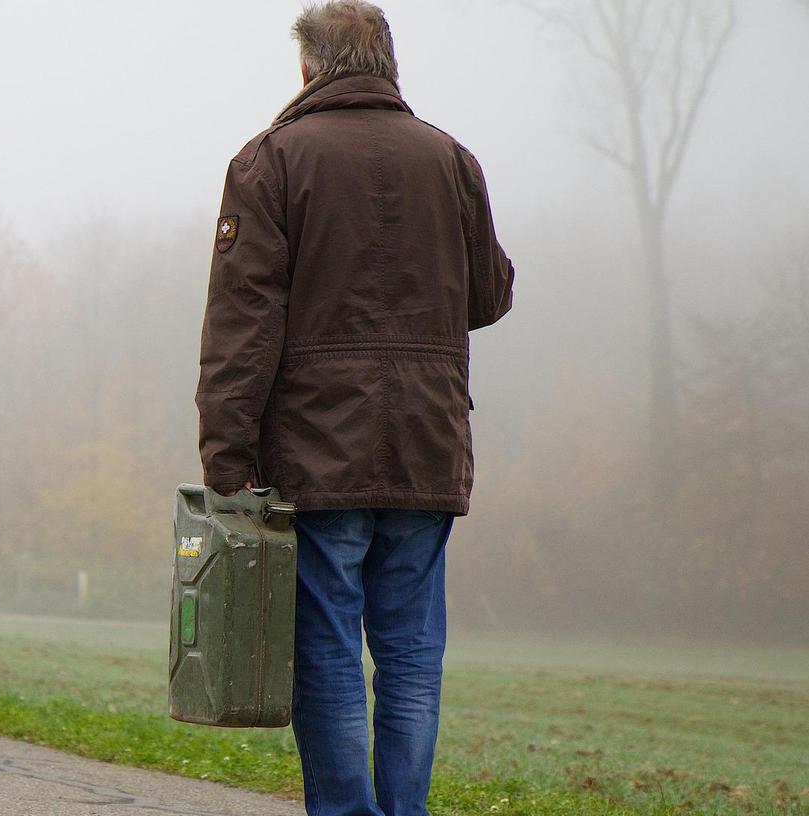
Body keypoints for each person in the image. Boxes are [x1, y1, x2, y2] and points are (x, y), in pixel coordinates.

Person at [194, 3, 515, 815]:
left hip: (315, 451)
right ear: (387, 63)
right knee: (409, 654)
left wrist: (226, 457)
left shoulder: (269, 162)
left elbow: (243, 325)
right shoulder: (452, 160)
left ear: (308, 68)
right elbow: (489, 294)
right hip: (427, 441)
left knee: (329, 650)